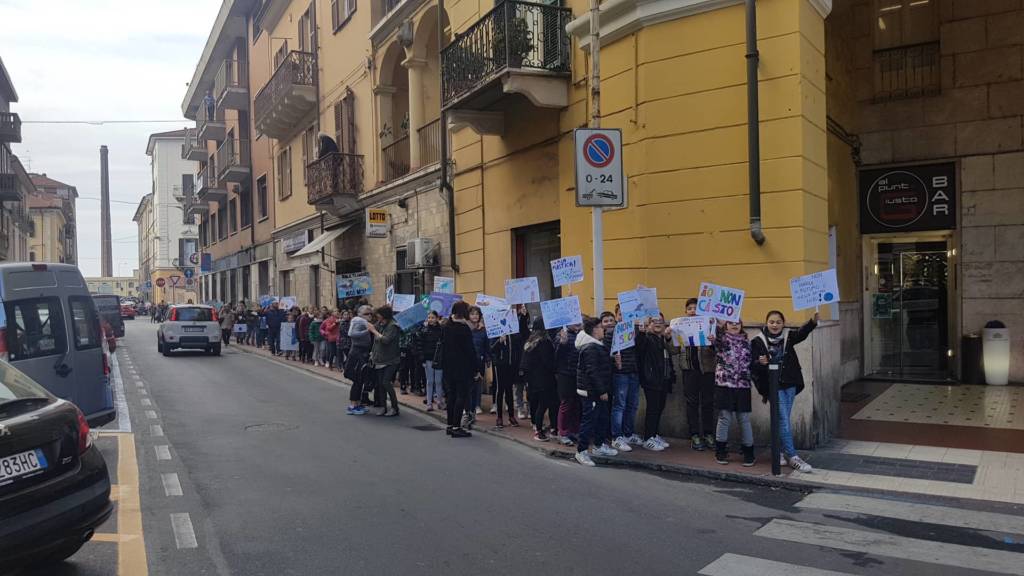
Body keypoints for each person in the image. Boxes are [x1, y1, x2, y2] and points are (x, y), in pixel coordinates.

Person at [751, 310, 818, 473]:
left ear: (783, 323)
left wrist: (813, 322)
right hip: (774, 386)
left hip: (790, 382)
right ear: (766, 323)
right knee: (783, 420)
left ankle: (779, 451)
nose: (775, 325)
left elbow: (802, 333)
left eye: (778, 322)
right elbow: (752, 365)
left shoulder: (788, 337)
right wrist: (760, 362)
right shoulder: (758, 341)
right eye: (771, 322)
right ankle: (793, 456)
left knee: (783, 420)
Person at [574, 316, 618, 466]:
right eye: (600, 327)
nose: (603, 330)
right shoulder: (590, 348)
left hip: (598, 390)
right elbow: (592, 371)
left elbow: (601, 365)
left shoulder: (597, 345)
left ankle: (599, 446)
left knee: (602, 418)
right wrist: (602, 391)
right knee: (589, 421)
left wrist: (613, 361)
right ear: (594, 330)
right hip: (591, 391)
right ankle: (581, 451)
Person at [713, 319, 756, 467]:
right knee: (724, 417)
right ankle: (720, 451)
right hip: (724, 384)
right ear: (725, 325)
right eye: (731, 323)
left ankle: (748, 452)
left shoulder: (747, 342)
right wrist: (717, 324)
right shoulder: (721, 340)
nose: (734, 325)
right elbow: (714, 337)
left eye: (737, 323)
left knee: (744, 419)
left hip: (743, 386)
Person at [678, 298, 717, 451]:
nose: (693, 311)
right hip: (689, 370)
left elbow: (718, 350)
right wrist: (668, 336)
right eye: (690, 308)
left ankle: (708, 433)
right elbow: (673, 349)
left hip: (707, 370)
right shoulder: (680, 327)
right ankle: (694, 435)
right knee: (691, 403)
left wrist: (714, 342)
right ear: (685, 312)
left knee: (708, 402)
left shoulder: (709, 325)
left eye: (696, 308)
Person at [603, 309, 642, 453]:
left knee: (633, 405)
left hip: (634, 372)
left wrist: (641, 332)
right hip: (620, 374)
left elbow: (641, 349)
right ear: (617, 317)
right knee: (619, 405)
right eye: (620, 314)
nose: (624, 317)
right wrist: (614, 360)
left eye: (627, 314)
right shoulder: (611, 333)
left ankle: (628, 433)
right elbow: (605, 354)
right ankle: (616, 437)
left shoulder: (636, 330)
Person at [636, 316, 674, 451]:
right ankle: (648, 438)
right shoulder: (647, 338)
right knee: (653, 409)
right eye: (654, 321)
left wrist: (668, 338)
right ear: (649, 324)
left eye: (660, 321)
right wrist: (641, 332)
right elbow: (639, 347)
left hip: (664, 379)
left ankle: (653, 434)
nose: (658, 324)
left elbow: (673, 352)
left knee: (659, 408)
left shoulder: (662, 338)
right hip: (651, 379)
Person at [442, 301, 476, 438]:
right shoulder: (463, 328)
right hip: (462, 367)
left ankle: (450, 425)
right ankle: (457, 426)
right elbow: (470, 350)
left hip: (448, 367)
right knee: (461, 396)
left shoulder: (447, 326)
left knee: (451, 395)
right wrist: (476, 367)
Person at [521, 318, 557, 442]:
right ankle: (540, 431)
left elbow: (524, 364)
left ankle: (539, 428)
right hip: (545, 379)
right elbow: (548, 362)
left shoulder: (530, 342)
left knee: (539, 404)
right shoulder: (544, 343)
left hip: (533, 379)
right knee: (546, 404)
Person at [367, 306, 401, 417]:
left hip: (391, 359)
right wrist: (372, 352)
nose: (377, 317)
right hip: (379, 359)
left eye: (379, 315)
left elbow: (386, 340)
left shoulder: (393, 326)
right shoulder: (381, 323)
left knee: (386, 382)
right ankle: (383, 406)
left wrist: (374, 331)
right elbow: (374, 332)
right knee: (380, 384)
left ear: (384, 315)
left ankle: (395, 408)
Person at [554, 322, 582, 445]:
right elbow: (555, 356)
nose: (577, 323)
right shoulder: (561, 335)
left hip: (578, 375)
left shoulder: (582, 335)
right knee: (566, 404)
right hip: (565, 374)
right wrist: (562, 343)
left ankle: (574, 431)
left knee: (577, 404)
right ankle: (563, 433)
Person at [345, 305, 374, 415]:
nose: (369, 315)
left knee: (361, 380)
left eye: (371, 313)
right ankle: (353, 405)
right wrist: (367, 331)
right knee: (357, 380)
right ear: (360, 314)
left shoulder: (364, 322)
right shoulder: (358, 321)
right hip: (357, 354)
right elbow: (351, 334)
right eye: (367, 314)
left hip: (363, 353)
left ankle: (357, 403)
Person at [489, 331, 519, 429]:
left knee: (509, 390)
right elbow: (491, 349)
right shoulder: (495, 333)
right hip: (500, 365)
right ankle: (499, 417)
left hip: (510, 365)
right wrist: (499, 341)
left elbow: (516, 348)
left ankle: (511, 416)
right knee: (500, 390)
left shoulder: (513, 334)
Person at [466, 306, 490, 427]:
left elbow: (486, 346)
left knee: (478, 385)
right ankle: (468, 410)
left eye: (476, 314)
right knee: (468, 386)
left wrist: (487, 358)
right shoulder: (466, 329)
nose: (475, 316)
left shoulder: (483, 330)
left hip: (479, 360)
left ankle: (476, 406)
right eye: (472, 314)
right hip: (468, 361)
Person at [419, 311, 444, 411]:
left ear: (437, 318)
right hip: (428, 358)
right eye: (429, 317)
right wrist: (422, 359)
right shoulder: (424, 330)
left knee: (438, 381)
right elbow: (420, 345)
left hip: (439, 359)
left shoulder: (441, 330)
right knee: (429, 381)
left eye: (433, 317)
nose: (430, 319)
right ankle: (429, 403)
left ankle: (439, 402)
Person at [511, 305, 531, 420]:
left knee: (529, 388)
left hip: (527, 364)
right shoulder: (512, 334)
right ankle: (520, 408)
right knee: (518, 388)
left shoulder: (528, 334)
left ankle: (529, 408)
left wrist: (524, 315)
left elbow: (524, 328)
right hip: (517, 363)